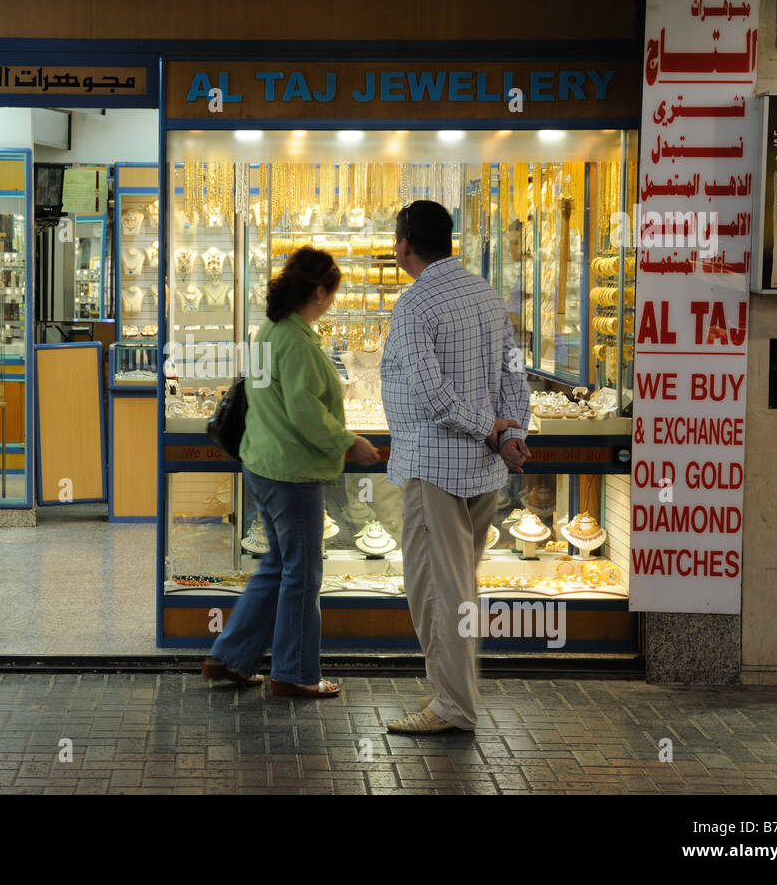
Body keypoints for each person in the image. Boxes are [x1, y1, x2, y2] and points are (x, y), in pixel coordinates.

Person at [203, 247, 382, 698]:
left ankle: (230, 657)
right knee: (301, 574)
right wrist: (349, 442)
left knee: (277, 566)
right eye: (332, 293)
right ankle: (295, 672)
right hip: (291, 470)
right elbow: (303, 410)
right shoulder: (298, 342)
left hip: (263, 462)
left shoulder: (269, 332)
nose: (333, 301)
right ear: (320, 292)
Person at [380, 201, 531, 734]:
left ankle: (452, 707)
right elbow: (516, 369)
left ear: (403, 244)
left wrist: (492, 428)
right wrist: (512, 431)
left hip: (436, 468)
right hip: (483, 472)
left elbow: (430, 393)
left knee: (436, 592)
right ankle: (456, 698)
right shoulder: (486, 294)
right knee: (458, 588)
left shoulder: (415, 304)